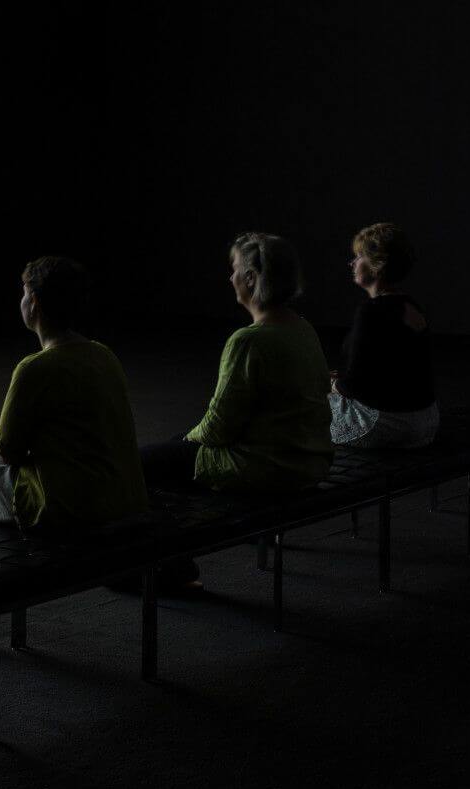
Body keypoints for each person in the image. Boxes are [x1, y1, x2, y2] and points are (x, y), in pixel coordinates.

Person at [140, 233, 334, 585]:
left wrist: (187, 439)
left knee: (142, 465)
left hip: (267, 468)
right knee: (174, 449)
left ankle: (170, 568)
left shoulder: (249, 340)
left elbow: (218, 428)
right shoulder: (303, 328)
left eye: (234, 270)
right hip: (309, 461)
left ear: (251, 279)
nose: (230, 279)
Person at [0, 257, 147, 534]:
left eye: (24, 293)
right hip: (123, 499)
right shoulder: (104, 355)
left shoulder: (34, 368)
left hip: (68, 507)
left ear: (33, 302)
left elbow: (7, 451)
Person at [329, 222, 438, 447]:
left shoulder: (371, 311)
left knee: (303, 403)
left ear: (377, 264)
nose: (352, 263)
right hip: (427, 421)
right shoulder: (411, 306)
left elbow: (356, 385)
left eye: (359, 256)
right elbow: (390, 371)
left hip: (392, 425)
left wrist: (333, 384)